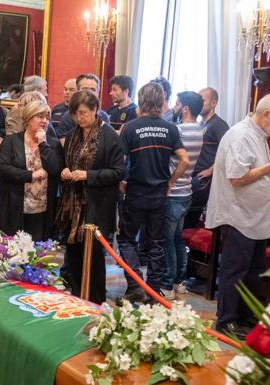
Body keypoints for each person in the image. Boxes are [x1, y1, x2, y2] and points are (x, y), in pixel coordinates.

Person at [206, 93, 270, 336]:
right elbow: (238, 177)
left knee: (254, 271)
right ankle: (226, 321)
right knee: (235, 271)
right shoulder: (241, 135)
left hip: (255, 216)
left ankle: (246, 319)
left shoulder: (259, 135)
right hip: (238, 216)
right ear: (266, 114)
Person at [118, 82, 188, 303]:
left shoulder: (130, 127)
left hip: (136, 193)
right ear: (161, 101)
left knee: (127, 240)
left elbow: (120, 161)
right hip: (159, 195)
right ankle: (153, 290)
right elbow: (184, 160)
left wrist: (122, 181)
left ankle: (134, 284)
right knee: (156, 243)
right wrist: (170, 182)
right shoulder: (170, 128)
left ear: (141, 100)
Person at [55, 90, 124, 304]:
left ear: (95, 110)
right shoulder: (75, 133)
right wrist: (65, 171)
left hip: (96, 204)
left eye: (83, 113)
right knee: (74, 254)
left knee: (93, 257)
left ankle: (95, 301)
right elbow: (67, 160)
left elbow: (117, 172)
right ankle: (77, 296)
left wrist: (88, 175)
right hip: (73, 204)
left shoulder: (109, 135)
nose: (79, 118)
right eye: (76, 114)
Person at [0, 100, 63, 240]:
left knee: (38, 254)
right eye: (40, 116)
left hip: (42, 209)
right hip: (14, 207)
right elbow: (3, 169)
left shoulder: (53, 143)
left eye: (47, 117)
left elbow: (55, 169)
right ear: (28, 119)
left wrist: (43, 144)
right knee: (13, 253)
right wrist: (30, 175)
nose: (44, 121)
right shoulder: (11, 141)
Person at [160, 91, 204, 300]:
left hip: (174, 190)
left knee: (167, 240)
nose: (174, 107)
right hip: (187, 191)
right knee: (177, 239)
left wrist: (169, 181)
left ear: (185, 108)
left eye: (177, 103)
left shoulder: (177, 130)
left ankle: (167, 284)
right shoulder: (200, 130)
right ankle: (179, 282)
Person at [186, 87, 230, 227]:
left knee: (190, 222)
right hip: (193, 176)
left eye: (202, 100)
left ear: (213, 103)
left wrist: (211, 170)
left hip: (205, 181)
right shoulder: (199, 124)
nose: (199, 103)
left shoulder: (219, 125)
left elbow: (228, 152)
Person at [56, 73, 110, 141]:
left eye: (93, 89)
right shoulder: (68, 117)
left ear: (98, 92)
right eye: (85, 89)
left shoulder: (104, 117)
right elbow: (65, 145)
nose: (89, 93)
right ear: (78, 91)